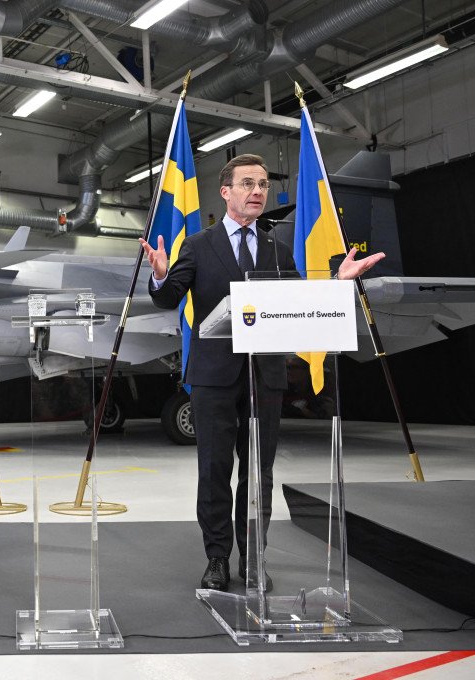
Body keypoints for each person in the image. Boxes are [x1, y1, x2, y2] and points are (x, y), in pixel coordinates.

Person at [140, 153, 384, 592]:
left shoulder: (277, 250)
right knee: (214, 469)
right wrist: (160, 276)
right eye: (248, 183)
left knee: (258, 473)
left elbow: (299, 305)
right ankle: (217, 559)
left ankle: (253, 558)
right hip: (213, 376)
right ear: (226, 191)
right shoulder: (197, 246)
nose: (258, 191)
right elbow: (168, 297)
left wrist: (338, 284)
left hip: (263, 376)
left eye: (263, 184)